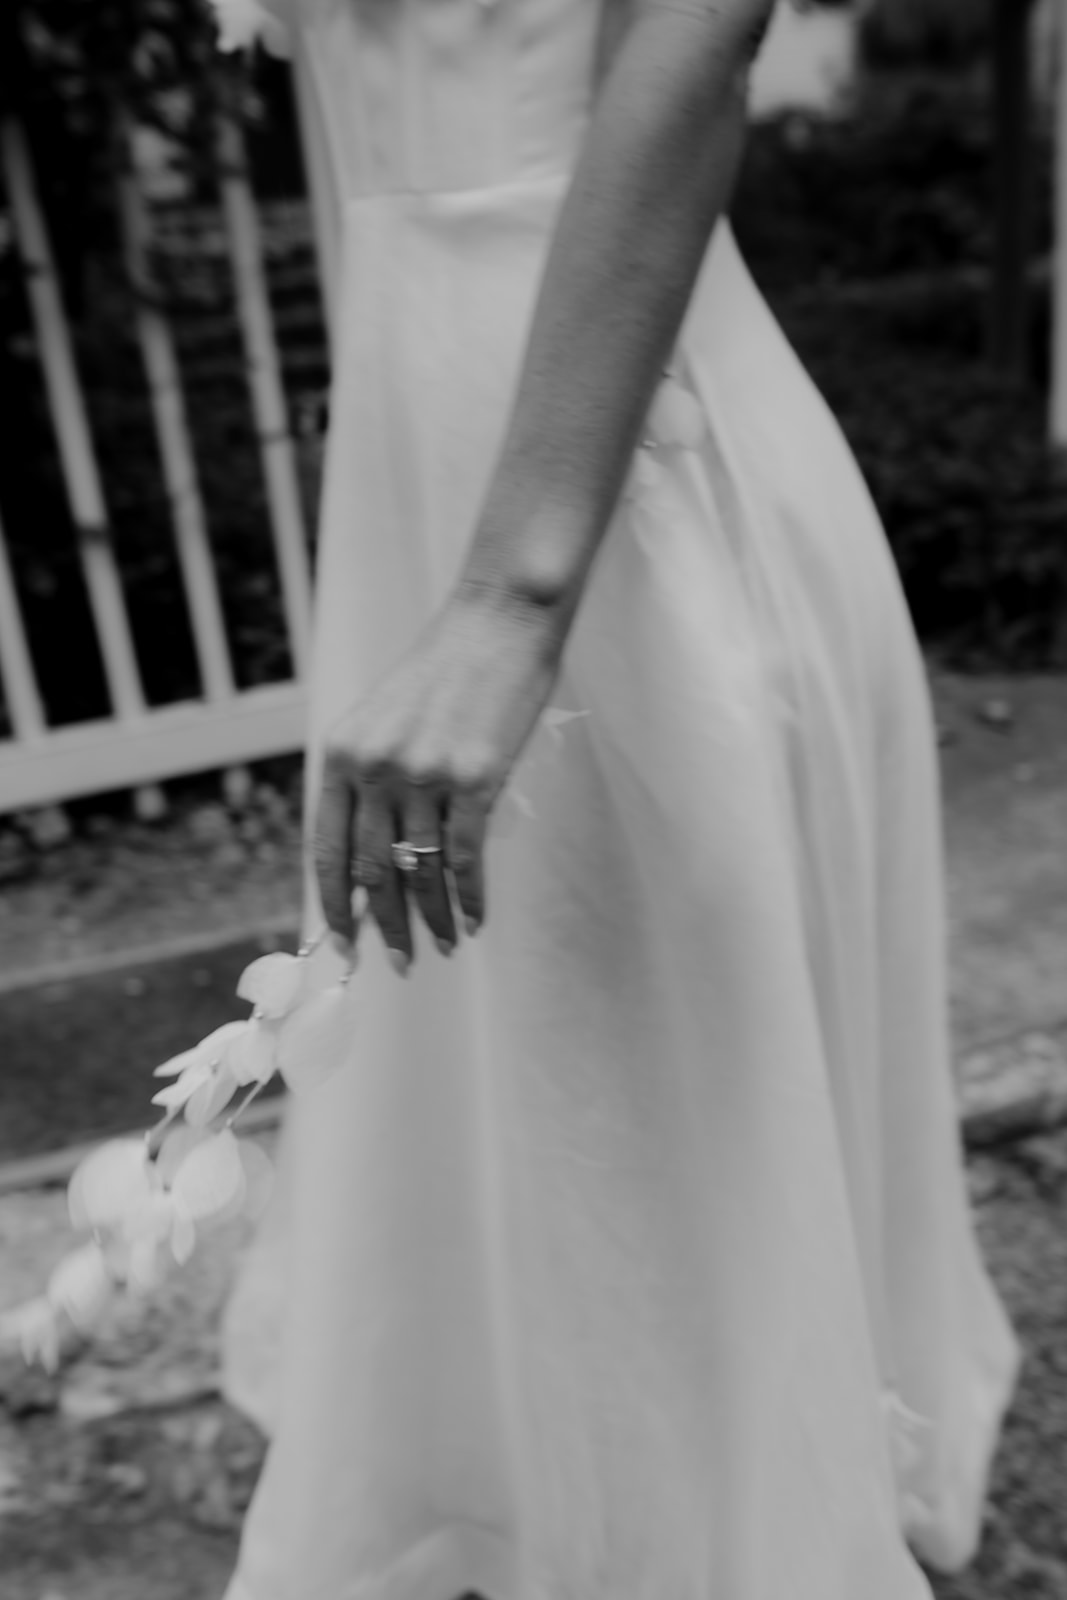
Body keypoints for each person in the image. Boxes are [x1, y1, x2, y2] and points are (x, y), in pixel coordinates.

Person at [219, 0, 1020, 1596]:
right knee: (527, 1081)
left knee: (675, 1116)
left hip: (612, 491)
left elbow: (692, 37)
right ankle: (561, 1490)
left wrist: (513, 598)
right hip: (420, 452)